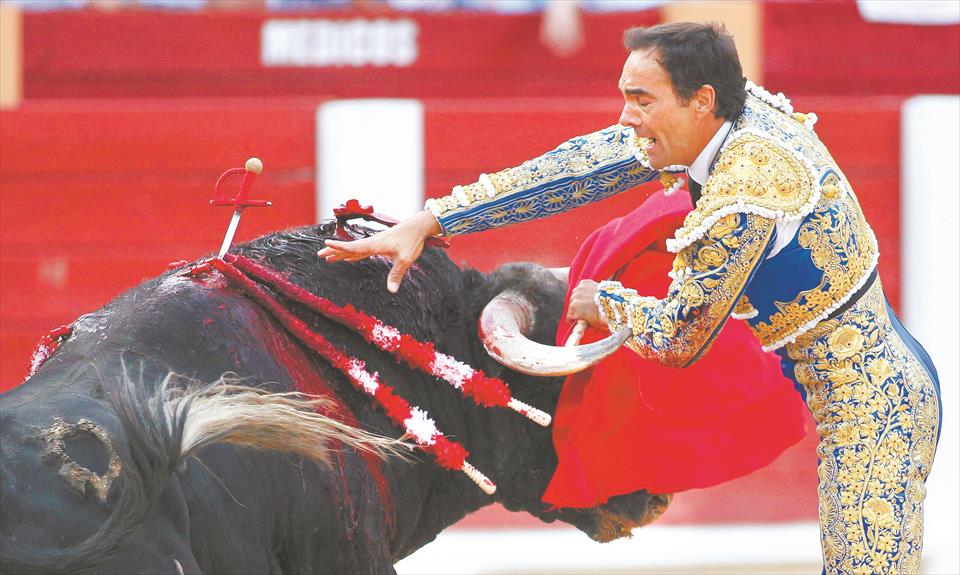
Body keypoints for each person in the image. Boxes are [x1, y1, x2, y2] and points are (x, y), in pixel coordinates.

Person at [319, 21, 942, 574]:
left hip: (874, 404)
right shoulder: (726, 114)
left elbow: (679, 336)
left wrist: (603, 302)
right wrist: (431, 221)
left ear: (701, 102)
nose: (626, 117)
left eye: (641, 101)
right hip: (852, 381)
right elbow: (580, 166)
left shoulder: (749, 187)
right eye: (626, 97)